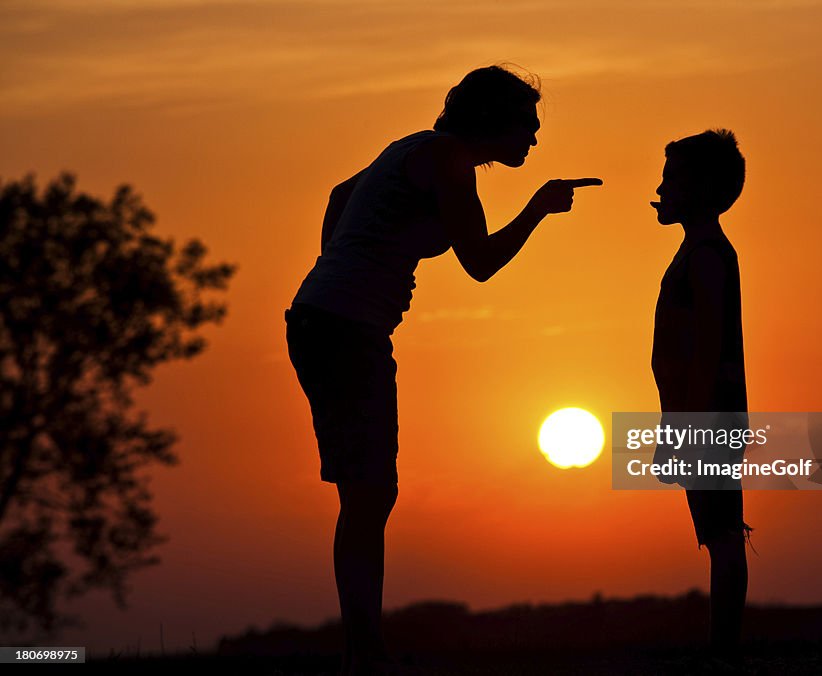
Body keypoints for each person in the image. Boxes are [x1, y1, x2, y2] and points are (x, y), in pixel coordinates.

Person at [284, 65, 601, 675]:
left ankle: (362, 650)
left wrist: (344, 267)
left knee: (367, 492)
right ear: (495, 121)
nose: (534, 139)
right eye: (528, 127)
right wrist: (537, 209)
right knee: (369, 493)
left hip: (327, 319)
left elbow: (338, 198)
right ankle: (366, 654)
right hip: (346, 328)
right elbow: (479, 262)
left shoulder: (412, 150)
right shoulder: (449, 161)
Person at [649, 129, 751, 652]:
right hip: (698, 411)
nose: (661, 190)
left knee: (724, 532)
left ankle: (724, 651)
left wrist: (688, 425)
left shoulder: (709, 253)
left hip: (709, 411)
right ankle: (722, 649)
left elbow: (710, 344)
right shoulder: (696, 250)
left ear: (702, 188)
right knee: (716, 531)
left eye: (671, 180)